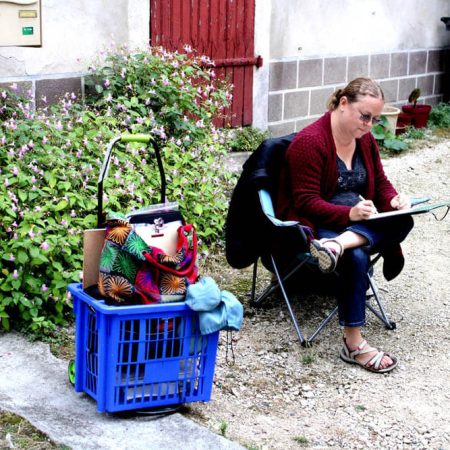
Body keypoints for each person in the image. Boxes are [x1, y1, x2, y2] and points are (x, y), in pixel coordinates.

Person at [276, 77, 414, 373]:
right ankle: (354, 343)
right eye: (365, 116)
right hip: (321, 219)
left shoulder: (365, 141)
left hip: (353, 222)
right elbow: (304, 202)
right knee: (357, 255)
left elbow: (381, 185)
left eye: (375, 119)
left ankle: (338, 245)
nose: (369, 125)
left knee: (404, 218)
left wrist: (393, 201)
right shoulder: (310, 142)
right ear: (343, 104)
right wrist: (348, 214)